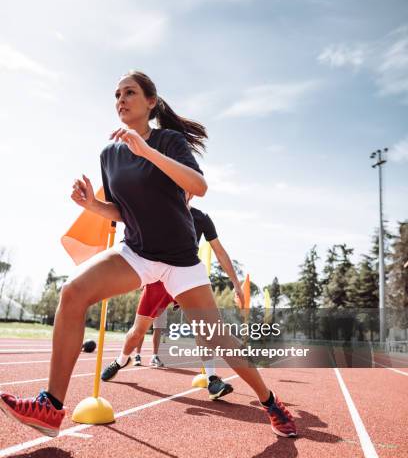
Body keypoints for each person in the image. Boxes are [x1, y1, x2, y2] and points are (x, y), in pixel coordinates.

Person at [0, 71, 296, 439]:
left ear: (150, 102)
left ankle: (270, 401)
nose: (121, 99)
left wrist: (149, 152)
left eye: (130, 92)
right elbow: (120, 210)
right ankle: (50, 406)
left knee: (219, 340)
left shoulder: (168, 141)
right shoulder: (109, 153)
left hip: (181, 262)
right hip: (137, 253)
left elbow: (198, 187)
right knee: (72, 293)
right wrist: (93, 204)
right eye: (117, 94)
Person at [101, 199, 245, 402]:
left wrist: (236, 285)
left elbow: (219, 251)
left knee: (202, 328)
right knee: (137, 332)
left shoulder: (201, 218)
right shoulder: (161, 208)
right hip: (158, 278)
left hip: (185, 276)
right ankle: (121, 360)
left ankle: (212, 379)